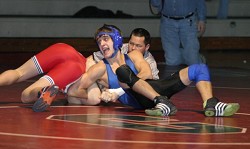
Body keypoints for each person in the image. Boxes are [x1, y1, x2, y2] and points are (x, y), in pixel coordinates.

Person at [68, 24, 239, 117]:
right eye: (99, 42)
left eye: (106, 39)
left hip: (154, 90)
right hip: (139, 101)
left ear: (117, 40)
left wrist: (117, 91)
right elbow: (75, 90)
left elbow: (147, 75)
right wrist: (100, 95)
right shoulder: (100, 67)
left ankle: (211, 104)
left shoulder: (134, 54)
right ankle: (161, 101)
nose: (102, 44)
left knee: (199, 68)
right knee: (123, 72)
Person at [0, 43, 101, 112]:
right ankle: (42, 91)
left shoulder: (105, 54)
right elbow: (91, 98)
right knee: (25, 96)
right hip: (74, 69)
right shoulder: (107, 73)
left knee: (19, 72)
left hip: (65, 49)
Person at [150, 0, 207, 66]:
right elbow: (155, 3)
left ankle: (197, 59)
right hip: (167, 22)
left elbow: (200, 1)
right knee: (173, 61)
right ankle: (193, 58)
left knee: (192, 60)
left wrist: (202, 19)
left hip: (188, 21)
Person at [93, 27, 159, 80]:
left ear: (147, 47)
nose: (133, 48)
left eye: (138, 46)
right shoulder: (118, 47)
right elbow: (95, 56)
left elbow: (153, 82)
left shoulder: (150, 62)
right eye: (131, 43)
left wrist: (121, 89)